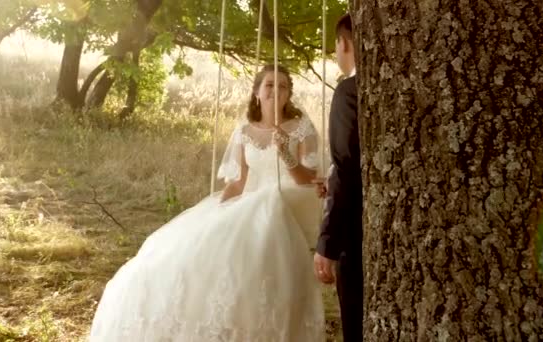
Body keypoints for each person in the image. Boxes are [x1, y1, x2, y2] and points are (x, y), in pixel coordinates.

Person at [89, 64, 326, 341]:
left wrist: (285, 153)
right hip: (249, 204)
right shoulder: (244, 131)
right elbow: (238, 183)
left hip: (284, 201)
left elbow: (306, 179)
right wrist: (217, 211)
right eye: (270, 85)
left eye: (283, 86)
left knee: (267, 206)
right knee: (202, 247)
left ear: (289, 94)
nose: (276, 90)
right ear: (257, 91)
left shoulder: (301, 128)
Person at [313, 13, 363, 342]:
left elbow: (346, 165)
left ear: (343, 44)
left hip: (355, 230)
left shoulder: (348, 91)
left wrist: (327, 243)